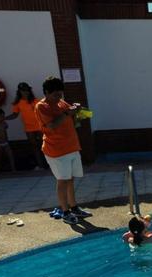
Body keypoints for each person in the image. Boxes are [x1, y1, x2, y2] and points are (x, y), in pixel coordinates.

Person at [35, 76, 92, 225]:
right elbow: (52, 125)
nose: (58, 97)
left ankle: (74, 208)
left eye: (60, 94)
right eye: (55, 94)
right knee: (62, 181)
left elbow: (71, 119)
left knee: (70, 179)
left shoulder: (61, 103)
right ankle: (65, 211)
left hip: (71, 147)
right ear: (47, 92)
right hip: (56, 151)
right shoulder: (42, 106)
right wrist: (68, 113)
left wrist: (77, 112)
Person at [7, 82, 47, 170]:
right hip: (29, 128)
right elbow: (15, 115)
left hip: (39, 126)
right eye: (23, 90)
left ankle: (48, 164)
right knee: (34, 146)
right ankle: (40, 165)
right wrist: (4, 119)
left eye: (27, 90)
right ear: (19, 92)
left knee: (43, 145)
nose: (26, 92)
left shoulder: (35, 101)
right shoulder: (17, 103)